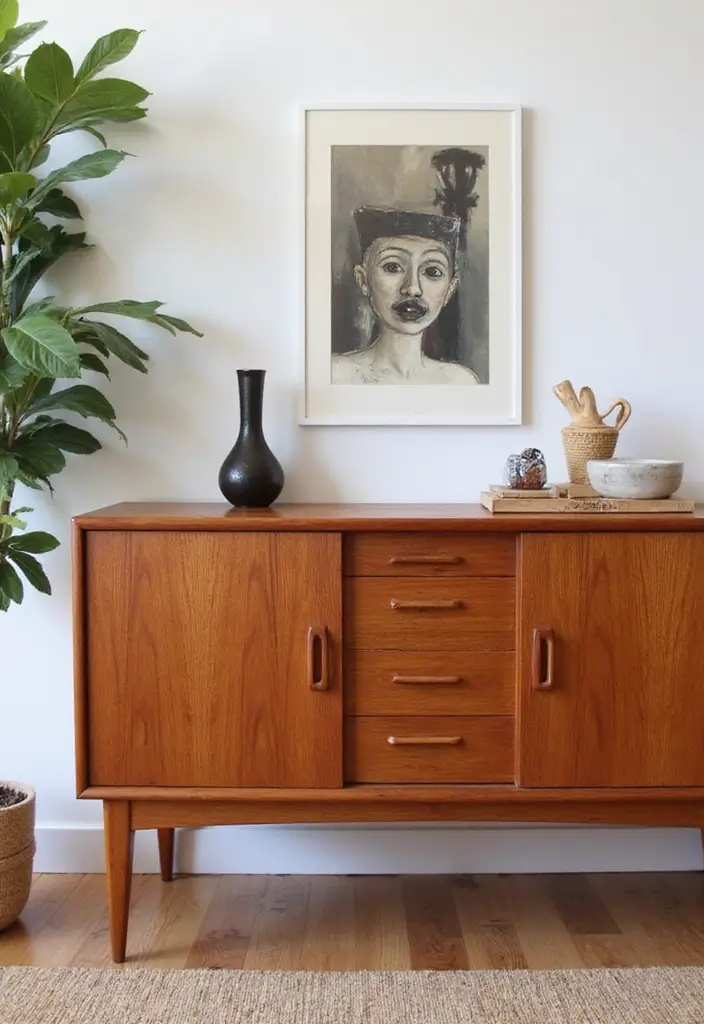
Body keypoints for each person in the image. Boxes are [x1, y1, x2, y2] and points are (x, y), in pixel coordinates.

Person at [332, 206, 479, 385]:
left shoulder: (460, 382)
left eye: (432, 271)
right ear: (363, 280)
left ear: (450, 289)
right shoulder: (336, 375)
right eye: (393, 267)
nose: (412, 288)